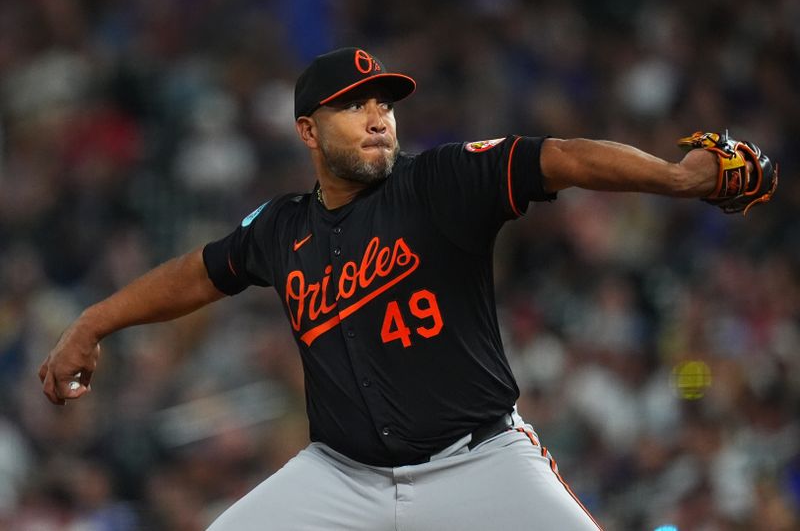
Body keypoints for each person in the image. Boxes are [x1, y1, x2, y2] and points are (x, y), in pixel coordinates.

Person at [38, 47, 777, 530]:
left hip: (480, 462)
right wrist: (93, 322)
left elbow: (561, 158)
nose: (378, 117)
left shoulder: (440, 183)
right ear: (307, 130)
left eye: (385, 104)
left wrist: (675, 177)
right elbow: (198, 273)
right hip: (342, 478)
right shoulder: (282, 230)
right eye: (355, 105)